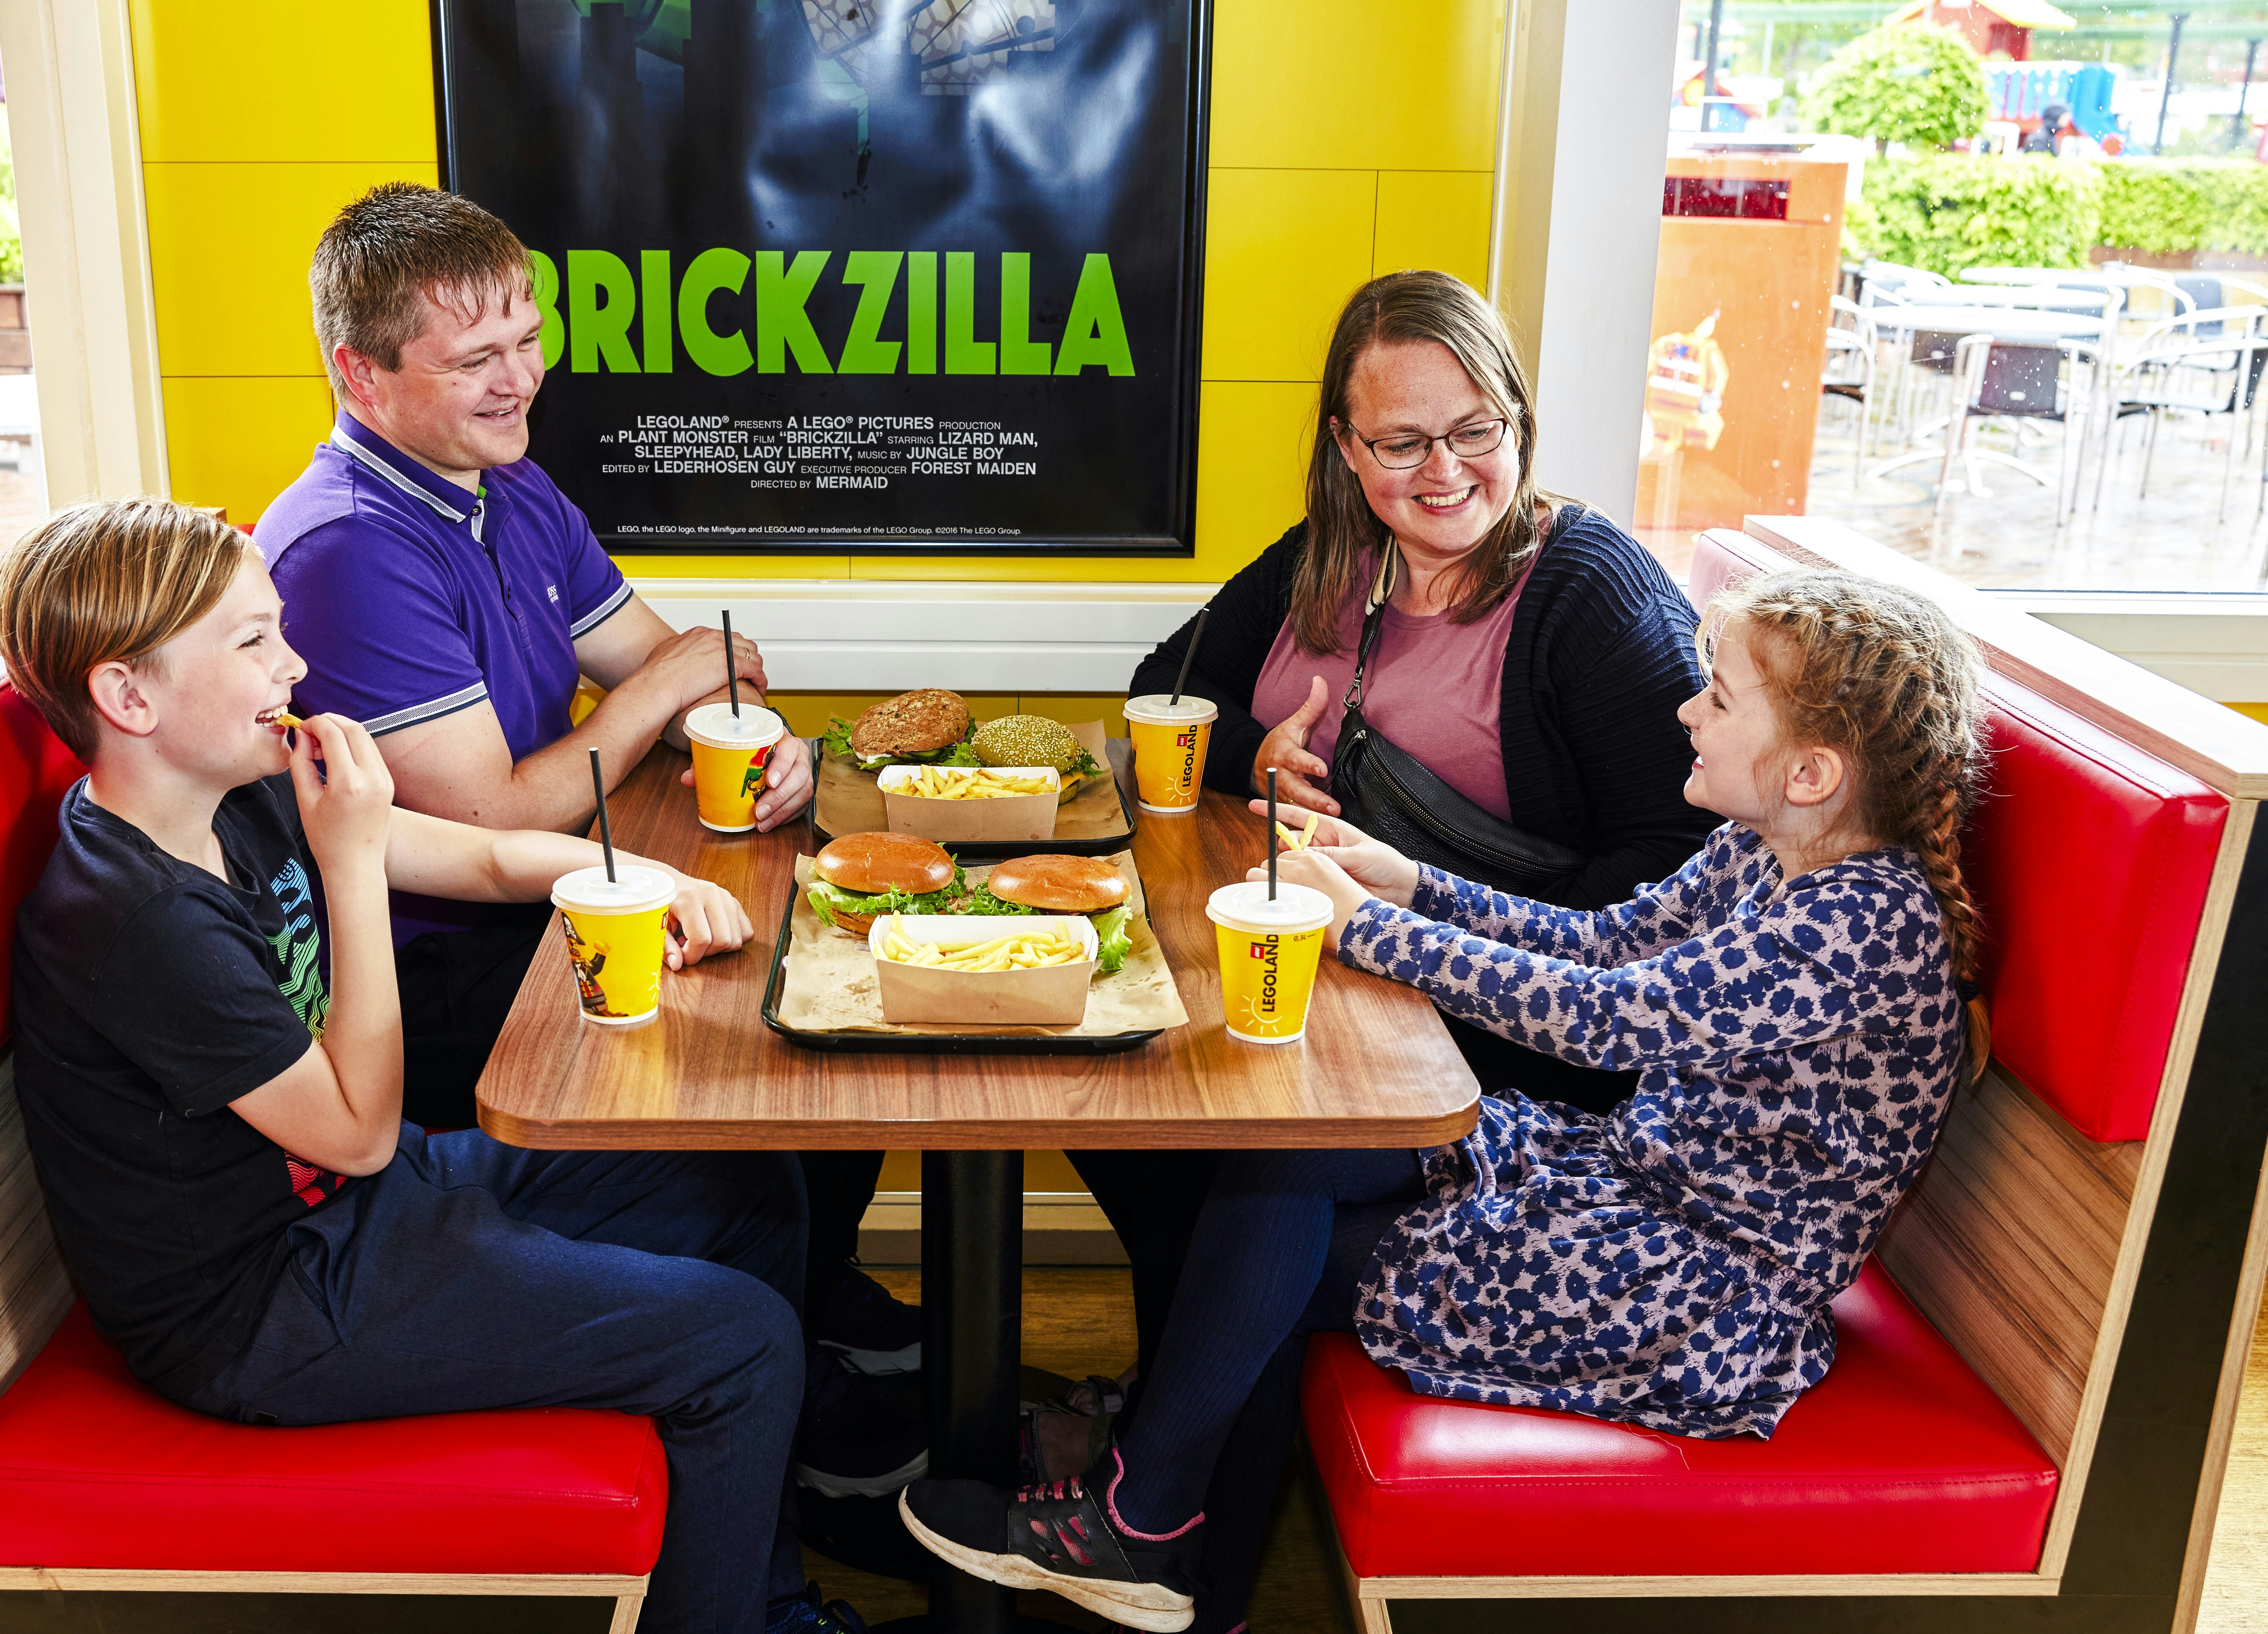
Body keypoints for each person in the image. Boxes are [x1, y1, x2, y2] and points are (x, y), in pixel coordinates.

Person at [903, 568, 1993, 1632]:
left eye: (1717, 696)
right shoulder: (1765, 850)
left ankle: (1146, 1526)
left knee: (1275, 1245)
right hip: (1623, 1184)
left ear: (1810, 773)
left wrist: (1364, 928)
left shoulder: (1863, 925)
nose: (1686, 711)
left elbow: (1608, 1017)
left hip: (1697, 1288)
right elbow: (1604, 941)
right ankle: (1153, 1527)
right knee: (1288, 1157)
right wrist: (1409, 881)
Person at [0, 497, 863, 1634]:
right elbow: (357, 1134)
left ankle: (755, 1603)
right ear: (129, 696)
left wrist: (649, 882)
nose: (293, 665)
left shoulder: (239, 792)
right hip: (267, 1307)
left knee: (749, 1188)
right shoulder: (135, 921)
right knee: (737, 1340)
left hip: (365, 1204)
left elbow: (490, 857)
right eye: (253, 641)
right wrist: (353, 862)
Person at [251, 185, 917, 1443]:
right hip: (436, 977)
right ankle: (796, 1392)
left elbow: (680, 669)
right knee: (785, 1035)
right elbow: (493, 809)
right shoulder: (348, 546)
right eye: (476, 360)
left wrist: (761, 745)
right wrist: (666, 689)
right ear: (359, 372)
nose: (521, 381)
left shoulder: (507, 486)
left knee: (823, 971)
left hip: (534, 910)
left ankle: (806, 1298)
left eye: (528, 340)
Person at [1075, 271, 1715, 1416]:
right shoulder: (1328, 554)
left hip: (1507, 1031)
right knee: (1107, 1093)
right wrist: (1254, 759)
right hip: (1322, 974)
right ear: (1346, 446)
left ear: (1518, 416)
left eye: (1475, 431)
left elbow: (1672, 877)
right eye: (1403, 443)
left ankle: (1166, 1448)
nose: (1444, 472)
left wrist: (1424, 919)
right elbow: (1167, 683)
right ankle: (1172, 1408)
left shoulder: (1590, 589)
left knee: (1219, 1144)